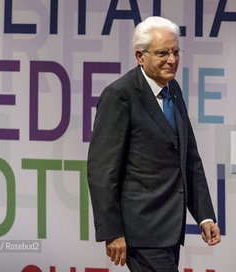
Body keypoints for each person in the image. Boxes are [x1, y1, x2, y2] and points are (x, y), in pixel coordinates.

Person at [87, 16, 220, 271]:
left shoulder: (173, 89)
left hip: (171, 230)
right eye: (162, 53)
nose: (172, 60)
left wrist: (204, 215)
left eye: (175, 52)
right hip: (142, 230)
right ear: (140, 56)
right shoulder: (120, 96)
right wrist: (112, 231)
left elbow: (189, 159)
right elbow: (102, 170)